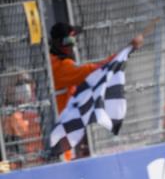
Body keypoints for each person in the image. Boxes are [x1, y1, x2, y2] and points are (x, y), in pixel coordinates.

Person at [49, 22, 143, 159]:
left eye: (74, 40)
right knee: (63, 158)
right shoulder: (59, 67)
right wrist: (127, 49)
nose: (72, 45)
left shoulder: (57, 61)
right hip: (62, 126)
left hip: (67, 123)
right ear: (56, 43)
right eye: (68, 41)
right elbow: (94, 71)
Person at [2, 71, 43, 169]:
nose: (25, 86)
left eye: (27, 82)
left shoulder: (37, 107)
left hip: (40, 161)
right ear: (8, 89)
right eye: (19, 83)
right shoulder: (6, 114)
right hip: (18, 167)